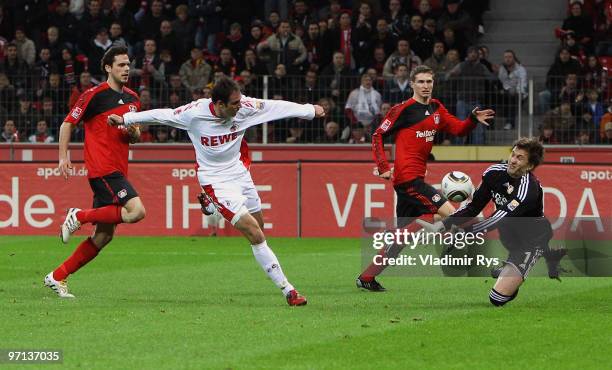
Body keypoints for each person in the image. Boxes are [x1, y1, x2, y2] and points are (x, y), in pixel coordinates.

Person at [107, 77, 325, 306]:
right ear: (219, 104)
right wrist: (125, 119)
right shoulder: (194, 113)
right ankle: (288, 291)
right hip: (215, 180)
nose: (239, 106)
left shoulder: (244, 108)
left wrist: (309, 110)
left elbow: (275, 107)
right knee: (254, 233)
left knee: (260, 227)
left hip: (240, 174)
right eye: (233, 104)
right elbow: (162, 114)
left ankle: (212, 206)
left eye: (239, 101)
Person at [356, 64, 494, 291]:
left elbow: (459, 129)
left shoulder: (437, 109)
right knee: (452, 213)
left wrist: (471, 119)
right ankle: (470, 256)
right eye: (420, 82)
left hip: (413, 180)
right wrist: (382, 165)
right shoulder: (403, 110)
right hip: (409, 180)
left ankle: (367, 278)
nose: (425, 86)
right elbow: (378, 134)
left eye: (429, 81)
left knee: (402, 238)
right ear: (412, 84)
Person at [44, 46, 145, 298]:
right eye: (121, 65)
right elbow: (68, 123)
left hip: (119, 168)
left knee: (103, 236)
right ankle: (78, 215)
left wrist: (130, 130)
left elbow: (136, 135)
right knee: (137, 211)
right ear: (108, 68)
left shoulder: (133, 99)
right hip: (103, 168)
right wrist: (62, 156)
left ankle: (57, 276)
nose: (126, 69)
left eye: (128, 65)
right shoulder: (94, 95)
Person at [418, 138, 567, 306]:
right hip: (509, 235)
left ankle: (529, 260)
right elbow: (473, 207)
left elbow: (498, 217)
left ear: (530, 166)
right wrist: (442, 225)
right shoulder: (493, 173)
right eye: (513, 154)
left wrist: (464, 233)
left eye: (520, 158)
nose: (512, 160)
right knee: (510, 254)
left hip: (532, 240)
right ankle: (537, 260)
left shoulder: (528, 189)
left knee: (497, 299)